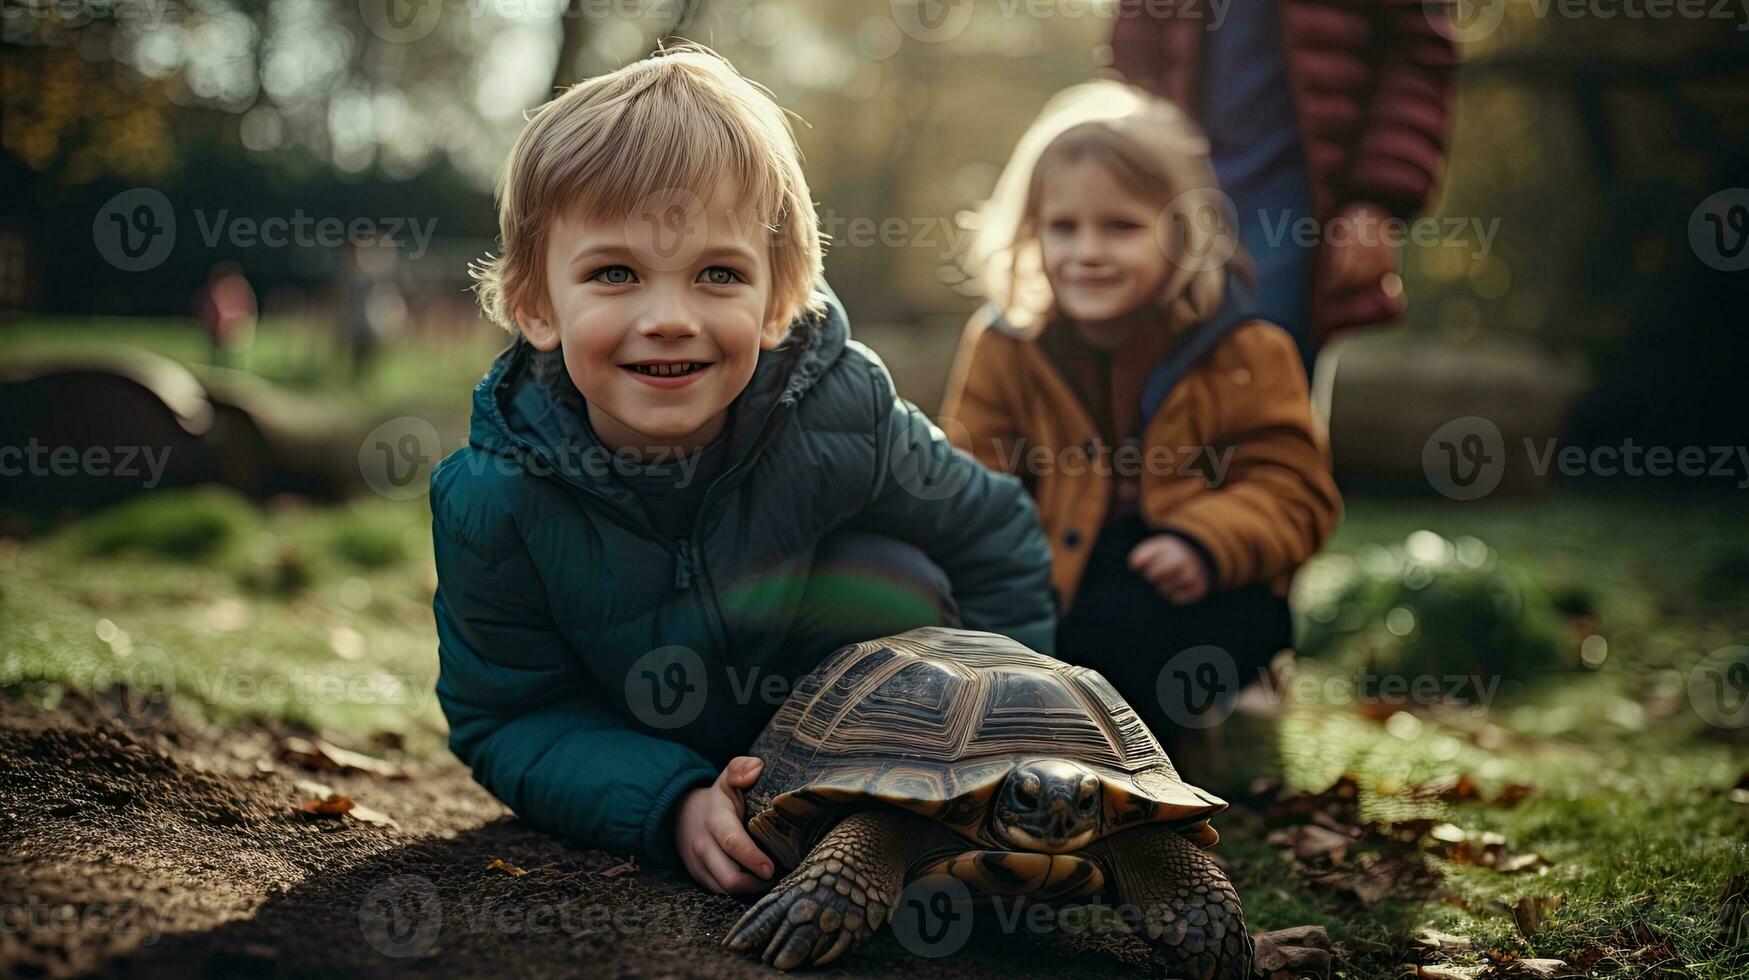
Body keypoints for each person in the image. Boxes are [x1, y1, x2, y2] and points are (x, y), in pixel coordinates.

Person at [434, 46, 1055, 896]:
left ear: (777, 300)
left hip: (852, 765)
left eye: (716, 274)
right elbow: (506, 715)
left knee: (900, 577)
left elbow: (995, 537)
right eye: (614, 273)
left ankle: (893, 836)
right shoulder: (491, 495)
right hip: (640, 748)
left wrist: (1006, 760)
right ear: (536, 304)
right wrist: (669, 799)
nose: (668, 318)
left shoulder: (845, 410)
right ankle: (716, 813)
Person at [941, 82, 1341, 774]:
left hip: (1193, 582)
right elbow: (972, 475)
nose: (1086, 252)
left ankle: (1156, 758)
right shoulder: (1006, 343)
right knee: (1023, 641)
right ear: (1032, 233)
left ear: (1180, 231)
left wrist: (1204, 541)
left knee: (1146, 634)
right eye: (1063, 228)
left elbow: (1293, 490)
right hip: (1054, 576)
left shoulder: (1245, 350)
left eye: (1120, 227)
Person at [1109, 0, 1458, 371]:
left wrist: (1375, 199)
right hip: (1173, 195)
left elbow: (1418, 51)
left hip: (1296, 204)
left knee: (1262, 372)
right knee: (1151, 375)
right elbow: (1132, 50)